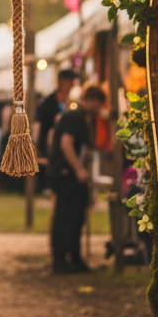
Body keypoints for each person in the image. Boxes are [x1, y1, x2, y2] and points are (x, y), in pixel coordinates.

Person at [48, 84, 106, 273]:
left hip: (68, 172)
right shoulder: (75, 117)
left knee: (74, 216)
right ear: (91, 101)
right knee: (67, 216)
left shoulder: (82, 117)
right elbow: (67, 143)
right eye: (98, 104)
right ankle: (61, 258)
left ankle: (72, 256)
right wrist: (78, 169)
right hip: (67, 173)